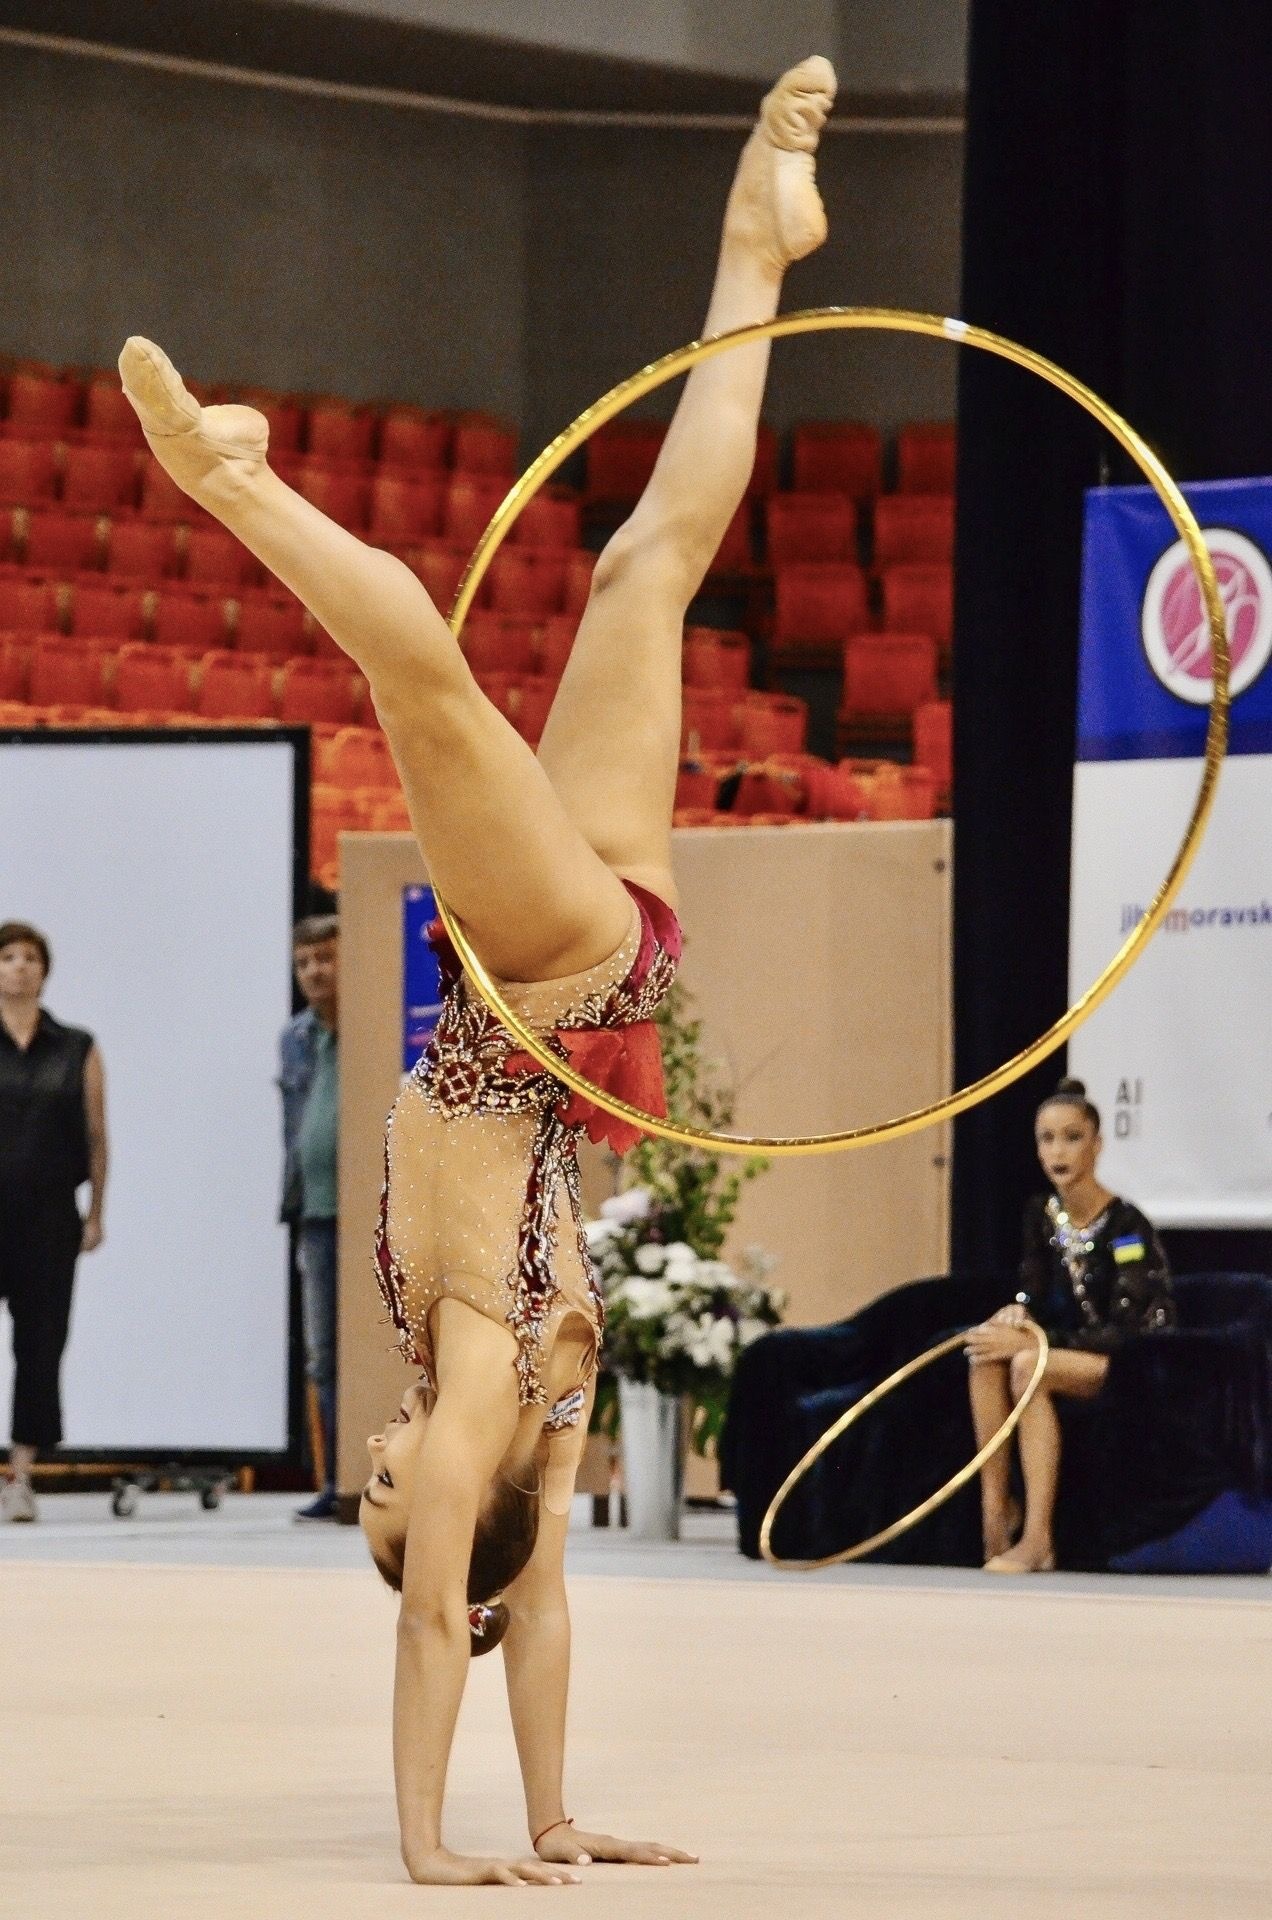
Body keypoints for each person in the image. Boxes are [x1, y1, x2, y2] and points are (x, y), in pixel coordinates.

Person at [119, 52, 836, 1884]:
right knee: (422, 673)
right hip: (556, 983)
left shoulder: (530, 1417)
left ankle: (758, 245)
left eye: (373, 1482)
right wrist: (433, 1851)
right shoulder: (476, 1413)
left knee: (638, 571)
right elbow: (455, 1618)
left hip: (586, 967)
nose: (374, 1461)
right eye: (385, 1492)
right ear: (436, 1500)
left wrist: (563, 1819)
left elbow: (534, 1610)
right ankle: (229, 491)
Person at [966, 1075, 1176, 1573]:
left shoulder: (1127, 1226)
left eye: (1072, 1137)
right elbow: (1033, 1292)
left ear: (1097, 1145)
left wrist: (1037, 1340)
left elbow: (1128, 1329)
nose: (1058, 1151)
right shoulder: (1042, 1215)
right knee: (987, 1354)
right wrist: (1017, 1314)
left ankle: (1039, 1539)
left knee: (1027, 1366)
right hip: (1066, 1351)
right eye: (1046, 1138)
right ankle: (995, 1516)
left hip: (1134, 1361)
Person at [0, 921, 108, 1523]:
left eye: (30, 958)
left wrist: (96, 1212)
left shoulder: (76, 1046)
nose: (20, 967)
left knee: (40, 1345)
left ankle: (21, 1474)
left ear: (45, 970)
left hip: (47, 1217)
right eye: (9, 957)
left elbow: (97, 1136)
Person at [278, 913, 340, 1522]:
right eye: (304, 963)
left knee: (372, 1345)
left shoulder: (374, 1026)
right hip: (315, 1214)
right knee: (323, 1353)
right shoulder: (295, 1038)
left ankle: (381, 1474)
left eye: (325, 957)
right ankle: (339, 1478)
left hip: (373, 1210)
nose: (315, 971)